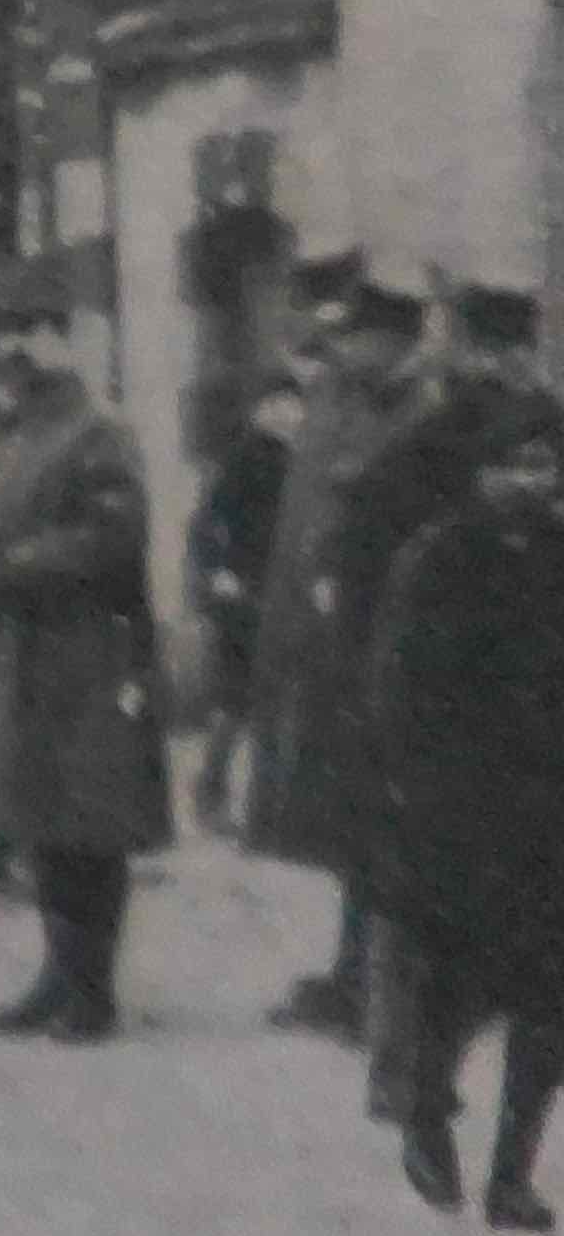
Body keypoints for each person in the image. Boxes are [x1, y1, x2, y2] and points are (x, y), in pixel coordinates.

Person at [360, 383, 564, 1226]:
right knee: (451, 985)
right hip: (458, 811)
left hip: (550, 812)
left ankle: (512, 1175)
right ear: (481, 473)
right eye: (516, 464)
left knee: (551, 997)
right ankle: (425, 1117)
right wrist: (419, 792)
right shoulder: (438, 558)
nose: (534, 480)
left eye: (548, 465)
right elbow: (396, 689)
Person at [0, 260, 170, 1043]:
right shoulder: (18, 429)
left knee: (90, 827)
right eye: (6, 331)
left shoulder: (97, 430)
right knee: (42, 821)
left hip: (89, 657)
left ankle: (94, 990)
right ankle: (57, 972)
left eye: (32, 329)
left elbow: (115, 535)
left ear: (64, 337)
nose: (15, 346)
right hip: (29, 655)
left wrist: (19, 565)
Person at [246, 256, 414, 1031]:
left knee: (375, 822)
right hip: (325, 648)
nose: (333, 347)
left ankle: (372, 989)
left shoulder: (390, 410)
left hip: (368, 646)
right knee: (351, 821)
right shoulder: (343, 398)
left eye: (349, 335)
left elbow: (356, 523)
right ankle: (354, 976)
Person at [185, 361, 295, 837]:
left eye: (293, 403)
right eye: (278, 403)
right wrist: (218, 572)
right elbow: (207, 522)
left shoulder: (300, 458)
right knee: (233, 702)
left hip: (279, 590)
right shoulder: (245, 457)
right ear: (261, 409)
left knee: (269, 701)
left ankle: (264, 807)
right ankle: (210, 790)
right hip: (243, 591)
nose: (288, 412)